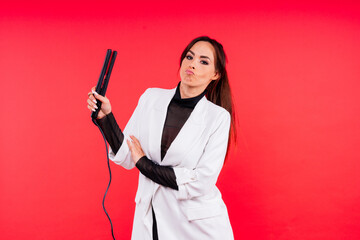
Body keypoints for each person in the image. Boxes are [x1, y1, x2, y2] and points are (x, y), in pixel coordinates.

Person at [87, 36, 236, 240]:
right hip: (151, 217)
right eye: (189, 56)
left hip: (196, 226)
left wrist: (144, 163)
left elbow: (202, 182)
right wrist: (106, 117)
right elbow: (127, 154)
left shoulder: (218, 118)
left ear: (215, 74)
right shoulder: (151, 97)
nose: (192, 63)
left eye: (203, 61)